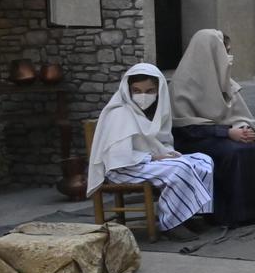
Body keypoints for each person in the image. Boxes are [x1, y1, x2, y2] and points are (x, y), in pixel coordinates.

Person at [87, 64, 216, 238]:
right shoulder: (119, 113)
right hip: (124, 169)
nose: (143, 96)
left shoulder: (154, 113)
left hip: (146, 163)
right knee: (180, 168)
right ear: (128, 89)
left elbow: (161, 142)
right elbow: (118, 156)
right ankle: (171, 223)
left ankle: (188, 213)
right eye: (137, 91)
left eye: (149, 91)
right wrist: (155, 157)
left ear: (158, 90)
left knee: (203, 160)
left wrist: (168, 154)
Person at [167, 28, 255, 228]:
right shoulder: (181, 85)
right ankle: (232, 214)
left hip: (226, 134)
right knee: (233, 153)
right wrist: (226, 132)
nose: (228, 57)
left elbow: (238, 113)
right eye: (224, 51)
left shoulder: (223, 81)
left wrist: (243, 128)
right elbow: (185, 127)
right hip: (196, 139)